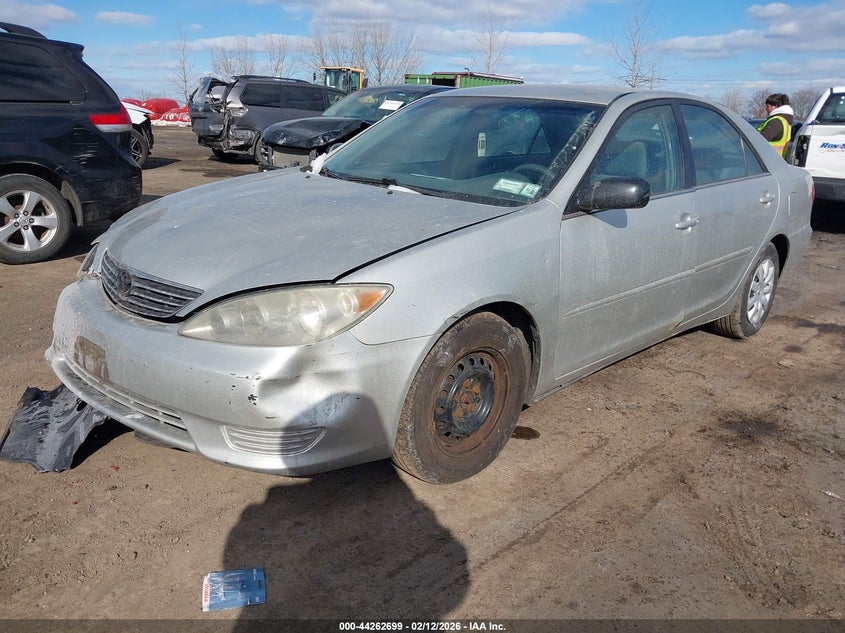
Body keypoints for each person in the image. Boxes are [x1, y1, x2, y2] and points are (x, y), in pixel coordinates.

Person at [757, 93, 794, 157]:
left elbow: (759, 140)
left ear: (775, 106)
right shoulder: (784, 120)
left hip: (767, 160)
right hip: (775, 160)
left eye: (768, 106)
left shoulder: (776, 122)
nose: (766, 109)